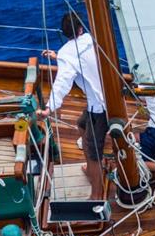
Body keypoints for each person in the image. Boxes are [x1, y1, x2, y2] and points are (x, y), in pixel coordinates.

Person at [38, 12, 107, 200]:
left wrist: (49, 108)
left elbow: (62, 82)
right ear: (80, 29)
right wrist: (58, 56)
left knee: (94, 153)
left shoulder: (67, 55)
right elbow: (78, 57)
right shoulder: (91, 39)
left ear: (65, 32)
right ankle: (92, 171)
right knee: (82, 124)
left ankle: (97, 195)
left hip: (100, 108)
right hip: (110, 98)